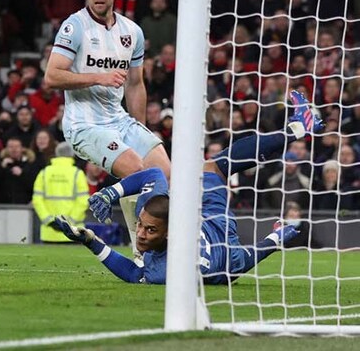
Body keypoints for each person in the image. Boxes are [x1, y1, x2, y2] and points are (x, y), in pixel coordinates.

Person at [53, 91, 321, 284]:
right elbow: (243, 260)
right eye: (142, 226)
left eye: (149, 229)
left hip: (204, 237)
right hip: (218, 228)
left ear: (171, 233)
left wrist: (92, 240)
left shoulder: (164, 272)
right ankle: (297, 129)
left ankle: (298, 129)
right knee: (213, 167)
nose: (141, 234)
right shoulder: (195, 263)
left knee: (211, 166)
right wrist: (275, 240)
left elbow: (135, 273)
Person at [44, 0, 170, 248]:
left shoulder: (132, 32)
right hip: (84, 124)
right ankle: (142, 251)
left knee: (164, 174)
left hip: (120, 121)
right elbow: (52, 76)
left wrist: (139, 129)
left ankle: (158, 248)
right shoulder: (74, 27)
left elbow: (135, 84)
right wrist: (98, 77)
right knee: (137, 170)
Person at [31, 142, 88, 243]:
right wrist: (69, 222)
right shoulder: (77, 173)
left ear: (56, 153)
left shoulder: (44, 173)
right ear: (72, 154)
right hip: (74, 231)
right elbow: (83, 201)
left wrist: (49, 221)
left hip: (49, 232)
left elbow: (37, 200)